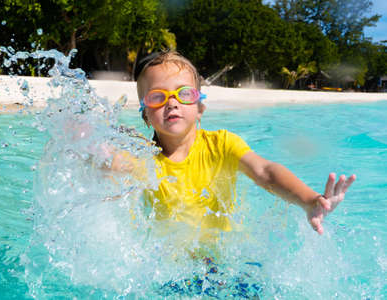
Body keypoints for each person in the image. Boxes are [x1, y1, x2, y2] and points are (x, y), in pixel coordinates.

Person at [130, 50, 356, 245]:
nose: (172, 102)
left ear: (200, 108)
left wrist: (309, 200)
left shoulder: (222, 145)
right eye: (157, 97)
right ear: (146, 115)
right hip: (170, 267)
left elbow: (265, 172)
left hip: (220, 259)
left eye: (185, 94)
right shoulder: (141, 156)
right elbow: (112, 165)